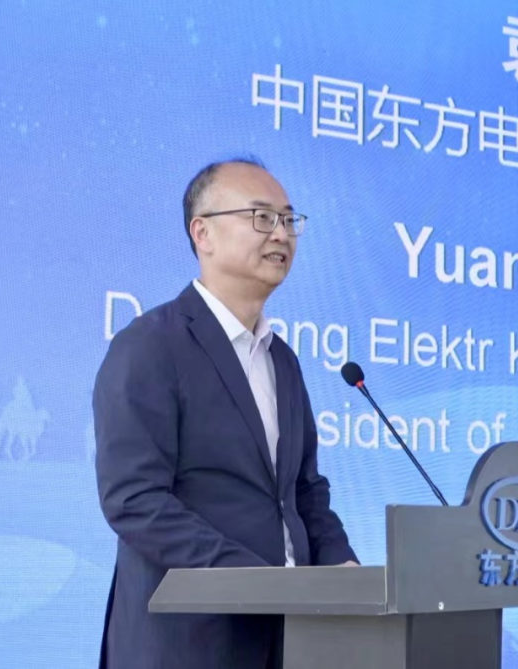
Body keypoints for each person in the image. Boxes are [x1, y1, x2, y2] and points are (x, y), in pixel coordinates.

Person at [92, 157, 358, 669]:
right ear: (203, 234)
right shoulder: (150, 346)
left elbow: (304, 492)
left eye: (289, 219)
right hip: (186, 642)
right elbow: (134, 499)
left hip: (290, 639)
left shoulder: (282, 360)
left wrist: (341, 564)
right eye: (261, 217)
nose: (281, 233)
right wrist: (257, 582)